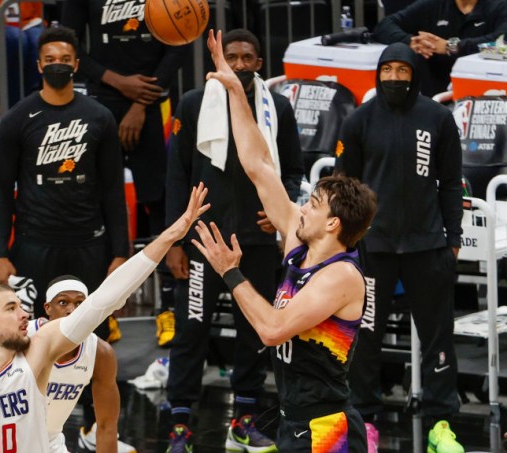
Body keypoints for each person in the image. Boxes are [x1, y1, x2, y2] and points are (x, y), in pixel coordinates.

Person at [0, 184, 210, 452]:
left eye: (22, 306)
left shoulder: (38, 351)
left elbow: (106, 299)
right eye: (12, 308)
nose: (24, 313)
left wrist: (168, 236)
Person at [187, 29, 378, 452]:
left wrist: (230, 272)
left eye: (313, 204)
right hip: (294, 421)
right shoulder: (300, 241)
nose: (302, 207)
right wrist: (239, 92)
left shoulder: (341, 276)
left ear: (333, 225)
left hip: (328, 428)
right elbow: (258, 165)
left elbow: (272, 330)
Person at [164, 28, 304, 452]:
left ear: (260, 63)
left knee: (255, 331)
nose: (240, 63)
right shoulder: (192, 104)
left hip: (256, 243)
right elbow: (176, 174)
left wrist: (280, 215)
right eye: (233, 56)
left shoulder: (277, 107)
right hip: (202, 239)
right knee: (190, 332)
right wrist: (174, 240)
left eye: (248, 57)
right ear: (219, 61)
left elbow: (294, 170)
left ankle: (244, 419)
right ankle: (180, 424)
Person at [336, 42, 464, 452]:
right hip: (374, 249)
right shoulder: (358, 121)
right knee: (365, 338)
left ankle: (440, 423)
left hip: (428, 247)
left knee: (437, 338)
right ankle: (366, 422)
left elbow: (450, 183)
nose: (394, 77)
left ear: (414, 74)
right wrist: (345, 244)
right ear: (378, 74)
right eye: (387, 69)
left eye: (401, 70)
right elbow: (344, 190)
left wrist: (454, 238)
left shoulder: (438, 118)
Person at [62, 0, 189, 344]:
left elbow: (181, 41)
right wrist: (118, 82)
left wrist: (140, 101)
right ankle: (103, 311)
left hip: (154, 101)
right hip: (101, 101)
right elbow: (71, 49)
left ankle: (169, 309)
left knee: (161, 203)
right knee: (101, 205)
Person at [0, 25, 129, 329]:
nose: (58, 64)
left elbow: (112, 190)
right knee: (33, 334)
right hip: (34, 244)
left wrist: (121, 252)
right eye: (51, 58)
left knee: (93, 334)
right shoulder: (16, 119)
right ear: (39, 65)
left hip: (89, 243)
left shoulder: (100, 117)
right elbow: (2, 190)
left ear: (76, 64)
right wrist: (0, 253)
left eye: (65, 58)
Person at [27, 275, 136, 453]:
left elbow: (107, 425)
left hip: (51, 443)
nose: (72, 310)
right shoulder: (25, 337)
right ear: (48, 308)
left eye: (79, 304)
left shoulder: (100, 352)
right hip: (8, 440)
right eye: (63, 303)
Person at [373, 0, 507, 96]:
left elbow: (502, 43)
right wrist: (411, 42)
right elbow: (384, 25)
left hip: (484, 92)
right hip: (433, 93)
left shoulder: (500, 6)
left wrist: (451, 47)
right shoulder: (432, 5)